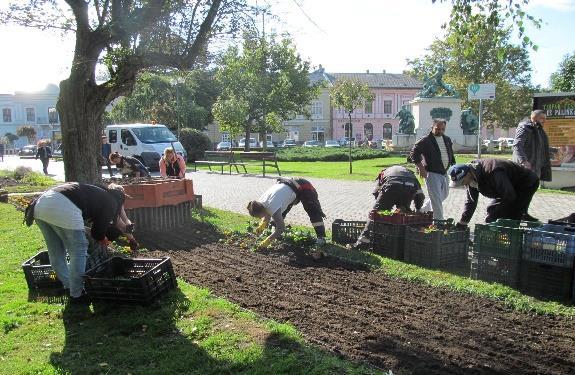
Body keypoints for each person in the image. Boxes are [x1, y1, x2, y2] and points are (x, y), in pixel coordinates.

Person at [32, 183, 138, 303]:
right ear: (120, 199)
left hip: (41, 205)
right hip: (63, 207)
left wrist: (131, 239)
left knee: (56, 251)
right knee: (79, 250)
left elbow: (120, 223)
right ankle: (77, 295)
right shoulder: (111, 202)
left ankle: (69, 286)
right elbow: (97, 232)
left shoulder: (100, 194)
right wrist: (103, 240)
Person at [351, 166, 425, 250]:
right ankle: (403, 242)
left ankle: (362, 243)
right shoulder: (411, 174)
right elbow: (420, 195)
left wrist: (381, 205)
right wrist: (418, 209)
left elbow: (376, 192)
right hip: (408, 190)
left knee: (375, 215)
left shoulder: (384, 173)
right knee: (404, 213)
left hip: (391, 187)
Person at [448, 159, 540, 228]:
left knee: (512, 216)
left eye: (462, 182)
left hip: (526, 183)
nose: (463, 185)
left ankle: (516, 242)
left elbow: (509, 196)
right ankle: (523, 216)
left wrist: (495, 216)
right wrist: (463, 222)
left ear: (467, 174)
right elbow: (471, 201)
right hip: (507, 187)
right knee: (492, 210)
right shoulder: (471, 177)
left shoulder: (493, 172)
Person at [247, 177, 327, 249]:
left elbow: (281, 228)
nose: (260, 218)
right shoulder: (261, 202)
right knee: (277, 218)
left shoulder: (273, 206)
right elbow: (266, 213)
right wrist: (262, 224)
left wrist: (267, 241)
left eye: (259, 217)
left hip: (303, 186)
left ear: (261, 211)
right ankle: (276, 235)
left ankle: (321, 238)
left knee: (312, 210)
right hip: (289, 186)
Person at [409, 118, 455, 220]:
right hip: (431, 173)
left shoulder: (447, 139)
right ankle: (439, 222)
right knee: (436, 199)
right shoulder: (425, 140)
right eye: (438, 129)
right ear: (432, 127)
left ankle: (422, 211)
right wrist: (421, 168)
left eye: (443, 129)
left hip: (444, 172)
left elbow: (450, 152)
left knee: (444, 195)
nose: (440, 131)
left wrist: (452, 164)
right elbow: (413, 153)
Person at [513, 109, 552, 182]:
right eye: (542, 118)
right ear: (534, 118)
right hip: (524, 167)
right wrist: (523, 161)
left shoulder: (539, 130)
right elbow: (517, 145)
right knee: (521, 188)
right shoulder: (524, 128)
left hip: (536, 167)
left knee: (531, 189)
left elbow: (541, 147)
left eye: (545, 119)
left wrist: (555, 150)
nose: (544, 121)